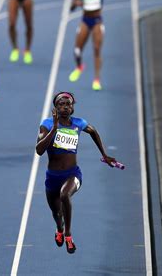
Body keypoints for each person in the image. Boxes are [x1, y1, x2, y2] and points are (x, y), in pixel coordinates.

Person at [35, 92, 116, 253]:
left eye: (68, 104)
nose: (65, 107)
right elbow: (39, 150)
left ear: (72, 107)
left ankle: (68, 235)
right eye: (61, 104)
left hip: (73, 174)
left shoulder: (79, 123)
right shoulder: (47, 124)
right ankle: (60, 228)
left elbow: (93, 132)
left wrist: (104, 155)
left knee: (65, 195)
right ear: (55, 108)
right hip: (52, 177)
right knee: (56, 213)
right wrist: (54, 129)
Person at [68, 0, 108, 91]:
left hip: (97, 21)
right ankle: (79, 66)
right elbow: (71, 8)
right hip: (85, 20)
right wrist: (76, 4)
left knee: (97, 49)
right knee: (77, 50)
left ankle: (96, 79)